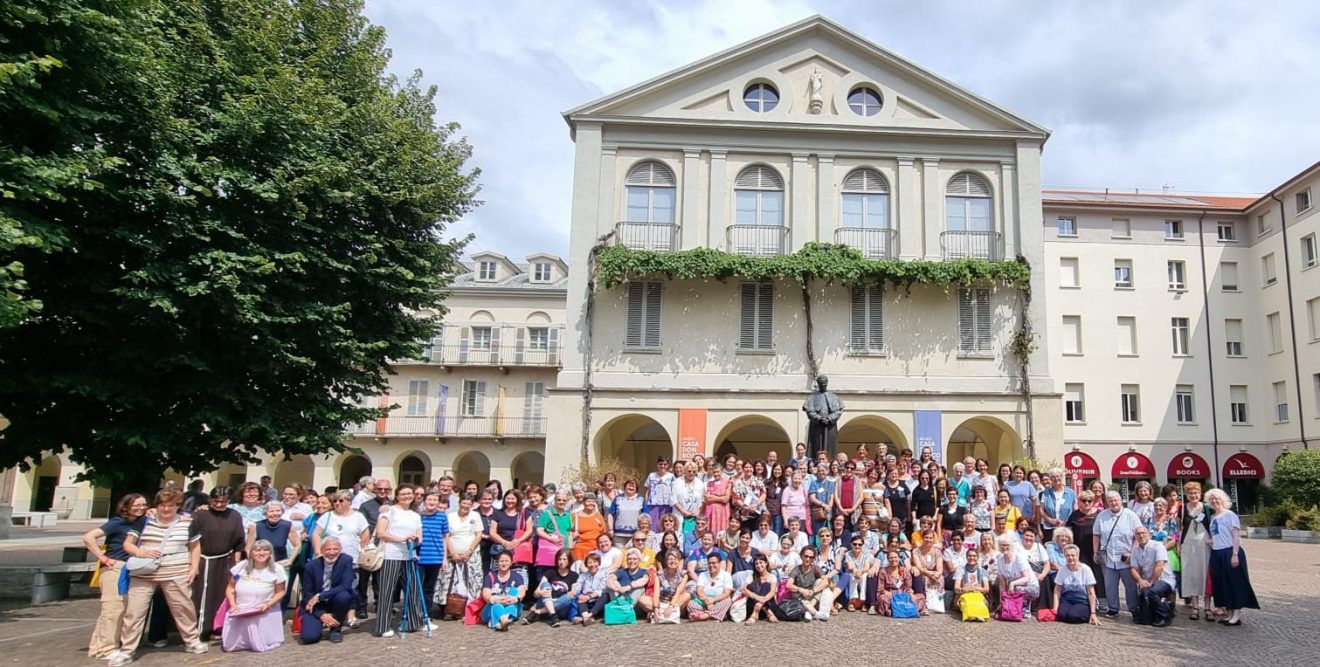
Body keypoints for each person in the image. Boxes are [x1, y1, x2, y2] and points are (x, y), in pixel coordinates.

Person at [109, 489, 207, 667]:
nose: (166, 509)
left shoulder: (188, 522)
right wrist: (141, 553)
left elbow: (195, 546)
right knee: (135, 612)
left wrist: (194, 567)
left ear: (177, 506)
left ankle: (191, 640)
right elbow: (128, 544)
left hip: (176, 571)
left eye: (170, 505)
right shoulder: (145, 520)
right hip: (144, 572)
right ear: (157, 506)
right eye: (162, 505)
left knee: (183, 608)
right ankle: (127, 650)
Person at [83, 493, 148, 659]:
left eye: (143, 504)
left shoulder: (141, 522)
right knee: (113, 609)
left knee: (117, 610)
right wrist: (102, 557)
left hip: (130, 568)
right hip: (114, 568)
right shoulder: (118, 522)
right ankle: (107, 649)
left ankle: (98, 647)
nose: (141, 508)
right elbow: (89, 537)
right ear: (125, 507)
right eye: (136, 505)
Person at [189, 486, 246, 641]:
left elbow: (239, 541)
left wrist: (236, 564)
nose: (219, 504)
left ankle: (217, 627)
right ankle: (200, 630)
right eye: (216, 501)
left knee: (222, 595)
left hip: (225, 560)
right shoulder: (200, 515)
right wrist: (193, 564)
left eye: (223, 501)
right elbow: (192, 541)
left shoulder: (234, 515)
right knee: (203, 595)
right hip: (204, 560)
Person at [311, 490, 369, 626]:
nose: (337, 503)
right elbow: (316, 534)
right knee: (328, 586)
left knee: (351, 587)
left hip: (351, 558)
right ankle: (329, 615)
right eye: (335, 501)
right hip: (329, 558)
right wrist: (318, 552)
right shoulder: (327, 516)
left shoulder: (358, 516)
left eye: (341, 501)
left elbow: (365, 534)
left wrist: (360, 548)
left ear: (349, 502)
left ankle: (350, 616)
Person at [373, 486, 424, 638]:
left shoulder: (415, 515)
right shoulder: (389, 511)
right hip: (391, 555)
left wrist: (415, 539)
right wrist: (401, 539)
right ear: (397, 496)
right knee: (387, 591)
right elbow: (380, 533)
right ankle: (383, 626)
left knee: (413, 590)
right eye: (403, 494)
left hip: (409, 556)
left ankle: (414, 622)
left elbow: (420, 536)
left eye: (409, 493)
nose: (407, 496)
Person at [222, 540, 286, 653]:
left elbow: (280, 592)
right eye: (257, 550)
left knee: (260, 644)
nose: (261, 553)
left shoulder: (277, 569)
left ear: (270, 553)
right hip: (241, 610)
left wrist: (268, 604)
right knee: (229, 646)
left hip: (264, 610)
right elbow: (230, 588)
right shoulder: (241, 567)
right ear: (251, 553)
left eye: (265, 550)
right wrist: (233, 604)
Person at [1207, 488, 1259, 626]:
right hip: (1217, 553)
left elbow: (1236, 536)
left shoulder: (1230, 515)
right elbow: (1218, 534)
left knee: (1233, 583)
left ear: (1223, 500)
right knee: (1222, 584)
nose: (1214, 501)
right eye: (1211, 499)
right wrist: (1212, 541)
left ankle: (1236, 615)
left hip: (1229, 552)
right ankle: (1229, 613)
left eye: (1217, 498)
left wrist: (1235, 555)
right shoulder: (1213, 517)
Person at [298, 536, 355, 644]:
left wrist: (320, 596)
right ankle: (320, 624)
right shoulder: (311, 566)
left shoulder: (346, 561)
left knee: (344, 596)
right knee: (309, 638)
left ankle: (335, 629)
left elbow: (346, 585)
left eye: (335, 549)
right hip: (316, 605)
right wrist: (321, 615)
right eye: (328, 549)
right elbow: (307, 594)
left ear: (340, 550)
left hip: (335, 600)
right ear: (321, 550)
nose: (332, 553)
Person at [437, 492, 485, 620]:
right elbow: (446, 536)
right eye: (464, 503)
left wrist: (468, 551)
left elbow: (478, 535)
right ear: (459, 503)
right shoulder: (450, 516)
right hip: (452, 555)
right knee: (450, 582)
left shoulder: (475, 515)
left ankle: (468, 609)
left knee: (470, 582)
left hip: (471, 554)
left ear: (472, 505)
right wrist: (452, 552)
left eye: (469, 504)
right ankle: (450, 609)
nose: (466, 506)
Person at [1094, 490, 1141, 619]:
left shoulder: (1131, 515)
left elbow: (1138, 535)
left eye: (1116, 500)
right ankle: (1113, 608)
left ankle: (1133, 608)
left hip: (1126, 557)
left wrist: (1132, 553)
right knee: (1110, 585)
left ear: (1121, 501)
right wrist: (1095, 551)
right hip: (1108, 556)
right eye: (1110, 501)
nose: (1113, 503)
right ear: (1107, 503)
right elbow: (1096, 534)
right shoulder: (1102, 515)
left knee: (1131, 585)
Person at [1066, 489, 1104, 613]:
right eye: (1084, 500)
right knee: (1084, 574)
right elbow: (1068, 532)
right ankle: (1086, 599)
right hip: (1080, 549)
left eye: (1089, 500)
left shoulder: (1099, 514)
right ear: (1079, 502)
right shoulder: (1074, 515)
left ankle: (1102, 600)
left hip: (1096, 549)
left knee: (1098, 574)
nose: (1087, 503)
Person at [1179, 481, 1213, 620]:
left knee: (1205, 574)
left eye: (1196, 493)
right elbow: (1178, 528)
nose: (1193, 495)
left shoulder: (1207, 508)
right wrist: (1178, 544)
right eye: (1190, 493)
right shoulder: (1182, 508)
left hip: (1205, 546)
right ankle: (1195, 606)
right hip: (1188, 546)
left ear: (1200, 494)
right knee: (1192, 574)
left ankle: (1208, 607)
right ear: (1186, 495)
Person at [1130, 525, 1176, 626]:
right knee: (1145, 593)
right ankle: (1153, 614)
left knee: (1150, 592)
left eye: (1143, 533)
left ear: (1149, 535)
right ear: (1135, 536)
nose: (1141, 536)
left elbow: (1160, 566)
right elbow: (1133, 569)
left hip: (1165, 579)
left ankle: (1165, 616)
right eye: (1138, 534)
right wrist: (1140, 580)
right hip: (1148, 581)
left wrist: (1151, 582)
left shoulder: (1158, 546)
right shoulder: (1135, 551)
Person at [1052, 544, 1102, 625]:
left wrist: (1093, 613)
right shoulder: (1062, 569)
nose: (1070, 558)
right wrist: (1055, 609)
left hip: (1082, 601)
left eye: (1073, 555)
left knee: (1073, 616)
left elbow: (1091, 592)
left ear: (1078, 556)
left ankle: (1086, 613)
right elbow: (1057, 589)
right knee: (1061, 615)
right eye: (1067, 555)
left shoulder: (1086, 569)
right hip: (1067, 600)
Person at [418, 491, 449, 619]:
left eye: (435, 500)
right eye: (429, 499)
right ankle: (414, 613)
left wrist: (444, 558)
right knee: (417, 587)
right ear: (424, 501)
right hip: (419, 557)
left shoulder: (442, 516)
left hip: (435, 557)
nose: (432, 502)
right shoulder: (418, 516)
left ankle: (426, 613)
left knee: (429, 588)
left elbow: (445, 537)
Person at [527, 548, 576, 627]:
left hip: (561, 609)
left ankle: (538, 612)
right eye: (559, 559)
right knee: (545, 584)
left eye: (564, 559)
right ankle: (553, 615)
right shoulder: (550, 572)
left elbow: (573, 594)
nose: (561, 562)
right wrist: (540, 593)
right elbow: (535, 594)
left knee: (568, 597)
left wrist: (552, 602)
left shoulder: (574, 575)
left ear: (569, 561)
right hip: (546, 603)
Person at [249, 502, 299, 571]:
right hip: (260, 564)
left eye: (278, 511)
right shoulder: (256, 526)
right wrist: (254, 562)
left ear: (282, 512)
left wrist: (290, 561)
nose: (275, 514)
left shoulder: (287, 525)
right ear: (265, 513)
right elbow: (249, 547)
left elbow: (297, 545)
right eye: (271, 511)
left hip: (281, 564)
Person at [481, 551, 524, 631]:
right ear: (497, 562)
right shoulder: (490, 576)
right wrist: (497, 599)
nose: (504, 563)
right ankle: (503, 620)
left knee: (514, 591)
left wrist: (514, 599)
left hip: (511, 605)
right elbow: (486, 595)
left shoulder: (517, 576)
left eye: (506, 561)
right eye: (501, 561)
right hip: (492, 607)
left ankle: (497, 623)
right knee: (497, 606)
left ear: (511, 562)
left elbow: (522, 592)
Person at [786, 546, 831, 620]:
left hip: (812, 596)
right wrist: (801, 590)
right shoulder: (796, 569)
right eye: (806, 556)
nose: (808, 559)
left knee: (821, 582)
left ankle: (809, 611)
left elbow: (826, 581)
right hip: (801, 597)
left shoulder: (815, 568)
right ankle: (816, 613)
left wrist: (813, 591)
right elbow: (788, 585)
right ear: (801, 556)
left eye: (811, 557)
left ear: (813, 559)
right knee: (796, 596)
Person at [687, 552, 735, 621]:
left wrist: (713, 600)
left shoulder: (726, 575)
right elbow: (699, 591)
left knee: (728, 601)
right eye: (709, 563)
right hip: (704, 601)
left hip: (719, 601)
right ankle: (716, 615)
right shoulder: (703, 575)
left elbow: (726, 593)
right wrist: (707, 601)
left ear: (719, 563)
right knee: (691, 604)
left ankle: (704, 616)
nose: (711, 565)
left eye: (714, 563)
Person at [875, 544, 920, 616]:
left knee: (920, 597)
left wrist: (910, 594)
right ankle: (892, 610)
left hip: (902, 594)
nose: (893, 560)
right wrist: (889, 594)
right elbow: (881, 589)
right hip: (890, 594)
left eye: (895, 557)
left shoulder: (905, 570)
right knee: (883, 599)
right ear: (887, 559)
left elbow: (907, 586)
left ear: (899, 558)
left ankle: (903, 610)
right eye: (891, 558)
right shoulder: (883, 571)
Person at [651, 548, 690, 623]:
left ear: (679, 561)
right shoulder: (659, 574)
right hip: (662, 601)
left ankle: (662, 613)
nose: (672, 561)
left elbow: (678, 592)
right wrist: (656, 608)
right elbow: (656, 593)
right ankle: (660, 612)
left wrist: (671, 606)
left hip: (676, 601)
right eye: (670, 559)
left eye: (675, 559)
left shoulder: (683, 575)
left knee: (687, 596)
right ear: (666, 561)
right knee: (643, 599)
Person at [570, 552, 608, 625]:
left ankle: (587, 616)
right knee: (579, 597)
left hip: (598, 601)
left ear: (599, 563)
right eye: (590, 563)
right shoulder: (583, 576)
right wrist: (577, 594)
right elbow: (578, 587)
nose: (592, 565)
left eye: (595, 562)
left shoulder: (604, 573)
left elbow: (601, 590)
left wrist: (588, 597)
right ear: (586, 565)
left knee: (605, 595)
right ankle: (586, 618)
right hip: (586, 602)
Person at [1038, 468, 1076, 541]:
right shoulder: (1046, 493)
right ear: (1050, 479)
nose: (1056, 478)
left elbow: (1075, 510)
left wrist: (1066, 522)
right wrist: (1050, 520)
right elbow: (1041, 510)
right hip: (1050, 528)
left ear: (1062, 477)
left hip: (1067, 528)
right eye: (1053, 477)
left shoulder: (1071, 493)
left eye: (1058, 476)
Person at [742, 554, 780, 624]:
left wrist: (761, 601)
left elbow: (772, 592)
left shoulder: (772, 577)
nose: (758, 565)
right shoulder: (751, 577)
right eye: (756, 563)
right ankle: (768, 613)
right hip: (753, 606)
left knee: (766, 585)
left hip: (769, 605)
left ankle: (755, 615)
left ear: (766, 563)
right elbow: (744, 590)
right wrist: (757, 597)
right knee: (751, 585)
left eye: (761, 562)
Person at [570, 492, 608, 563]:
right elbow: (569, 532)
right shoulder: (575, 516)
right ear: (583, 503)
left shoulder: (598, 516)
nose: (591, 503)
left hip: (596, 549)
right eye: (588, 501)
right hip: (580, 549)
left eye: (593, 501)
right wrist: (572, 535)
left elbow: (603, 532)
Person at [954, 548, 990, 620]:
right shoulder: (960, 570)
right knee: (967, 604)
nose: (972, 558)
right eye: (970, 556)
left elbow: (986, 589)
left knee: (979, 603)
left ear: (978, 557)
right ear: (966, 557)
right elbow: (956, 588)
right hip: (965, 594)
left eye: (974, 556)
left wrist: (974, 588)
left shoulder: (982, 570)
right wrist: (964, 589)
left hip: (978, 594)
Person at [609, 478, 646, 546]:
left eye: (633, 486)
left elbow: (645, 516)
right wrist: (610, 529)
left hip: (635, 535)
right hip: (619, 535)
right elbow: (610, 514)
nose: (631, 487)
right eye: (629, 485)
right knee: (619, 552)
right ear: (625, 486)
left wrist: (643, 531)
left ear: (636, 488)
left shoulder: (641, 499)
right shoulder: (618, 498)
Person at [671, 462, 705, 536]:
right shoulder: (677, 482)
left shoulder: (700, 483)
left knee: (693, 536)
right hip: (680, 514)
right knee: (679, 535)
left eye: (694, 471)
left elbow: (703, 500)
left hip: (694, 516)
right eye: (689, 471)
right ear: (685, 471)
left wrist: (698, 511)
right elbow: (673, 499)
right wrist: (683, 511)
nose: (691, 473)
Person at [643, 457, 675, 529]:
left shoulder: (671, 476)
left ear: (668, 465)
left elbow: (673, 490)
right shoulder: (651, 475)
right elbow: (647, 490)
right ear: (657, 464)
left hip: (667, 504)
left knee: (665, 524)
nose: (662, 466)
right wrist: (646, 502)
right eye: (660, 464)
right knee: (653, 525)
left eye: (665, 464)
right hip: (653, 504)